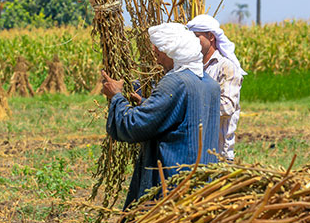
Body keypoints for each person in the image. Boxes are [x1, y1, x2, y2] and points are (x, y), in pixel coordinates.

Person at [101, 22, 220, 209]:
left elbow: (134, 125)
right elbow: (181, 117)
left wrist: (116, 96)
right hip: (201, 183)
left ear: (171, 52)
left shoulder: (175, 82)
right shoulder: (209, 84)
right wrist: (146, 103)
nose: (156, 59)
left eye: (159, 53)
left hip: (173, 185)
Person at [187, 14, 247, 161]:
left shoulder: (226, 67)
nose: (193, 42)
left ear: (211, 37)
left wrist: (191, 108)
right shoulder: (192, 67)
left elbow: (227, 108)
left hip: (219, 153)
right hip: (195, 152)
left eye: (197, 36)